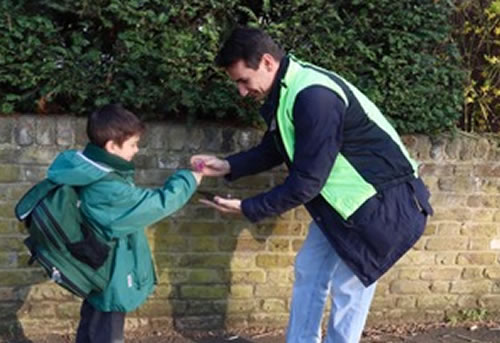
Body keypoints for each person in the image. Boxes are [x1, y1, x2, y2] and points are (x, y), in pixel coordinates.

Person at [191, 27, 433, 343]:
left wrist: (249, 208)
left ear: (266, 62)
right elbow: (277, 145)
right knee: (309, 269)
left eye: (243, 81)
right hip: (340, 206)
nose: (240, 91)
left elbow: (306, 181)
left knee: (349, 286)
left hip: (382, 207)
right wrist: (228, 165)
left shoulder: (314, 96)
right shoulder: (288, 89)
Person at [45, 104, 202, 343]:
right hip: (110, 273)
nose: (137, 150)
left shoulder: (89, 168)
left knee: (91, 325)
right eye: (132, 144)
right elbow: (156, 203)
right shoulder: (105, 187)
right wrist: (191, 177)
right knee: (107, 332)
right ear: (111, 146)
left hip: (95, 265)